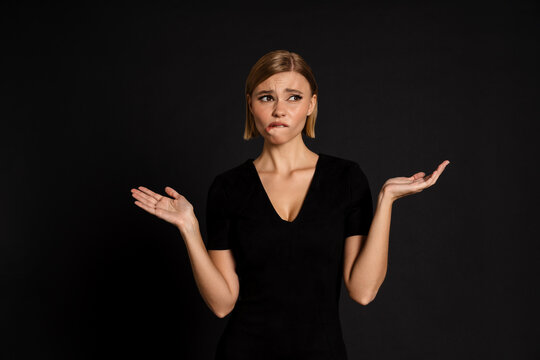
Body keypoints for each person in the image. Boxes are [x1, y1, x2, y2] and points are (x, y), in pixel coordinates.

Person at [130, 50, 450, 360]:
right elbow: (222, 304)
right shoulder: (228, 188)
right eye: (266, 97)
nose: (279, 109)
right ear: (251, 105)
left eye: (293, 97)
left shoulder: (346, 179)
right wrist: (189, 228)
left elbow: (362, 292)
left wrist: (386, 201)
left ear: (311, 104)